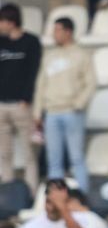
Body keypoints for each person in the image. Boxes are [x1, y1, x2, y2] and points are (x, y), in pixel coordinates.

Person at [33, 17, 96, 191]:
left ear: (68, 31)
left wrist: (79, 104)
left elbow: (91, 82)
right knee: (54, 159)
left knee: (76, 157)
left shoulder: (81, 55)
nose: (54, 35)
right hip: (52, 112)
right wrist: (38, 112)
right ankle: (55, 197)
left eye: (58, 30)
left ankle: (82, 197)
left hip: (72, 111)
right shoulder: (50, 56)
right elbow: (41, 84)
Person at [0, 4, 42, 190]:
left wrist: (27, 98)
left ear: (11, 22)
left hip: (21, 104)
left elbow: (34, 72)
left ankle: (31, 191)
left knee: (28, 153)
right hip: (2, 105)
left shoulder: (31, 42)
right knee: (4, 152)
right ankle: (7, 191)